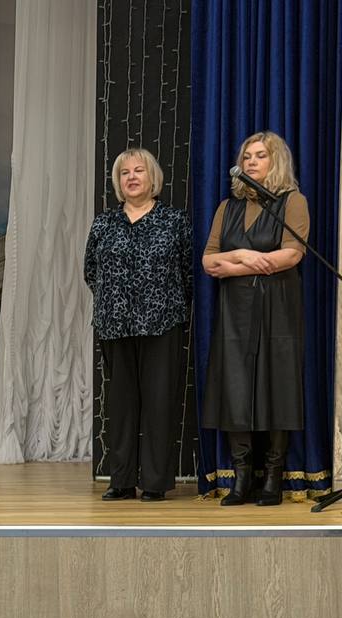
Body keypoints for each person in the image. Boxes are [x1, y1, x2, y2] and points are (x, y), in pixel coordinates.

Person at [201, 131, 309, 507]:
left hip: (278, 306)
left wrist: (234, 264)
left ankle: (273, 478)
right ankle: (241, 478)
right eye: (246, 156)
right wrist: (245, 256)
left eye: (260, 155)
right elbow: (209, 260)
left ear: (276, 161)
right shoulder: (226, 208)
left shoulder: (292, 202)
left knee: (277, 384)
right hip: (235, 310)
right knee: (235, 387)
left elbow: (291, 255)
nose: (250, 162)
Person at [83, 147, 192, 502]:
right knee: (121, 406)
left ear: (152, 177)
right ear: (118, 182)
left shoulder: (174, 220)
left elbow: (188, 272)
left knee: (159, 404)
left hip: (162, 323)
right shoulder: (104, 223)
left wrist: (165, 302)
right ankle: (121, 480)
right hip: (114, 325)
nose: (131, 177)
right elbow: (91, 271)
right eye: (124, 172)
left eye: (138, 170)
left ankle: (156, 483)